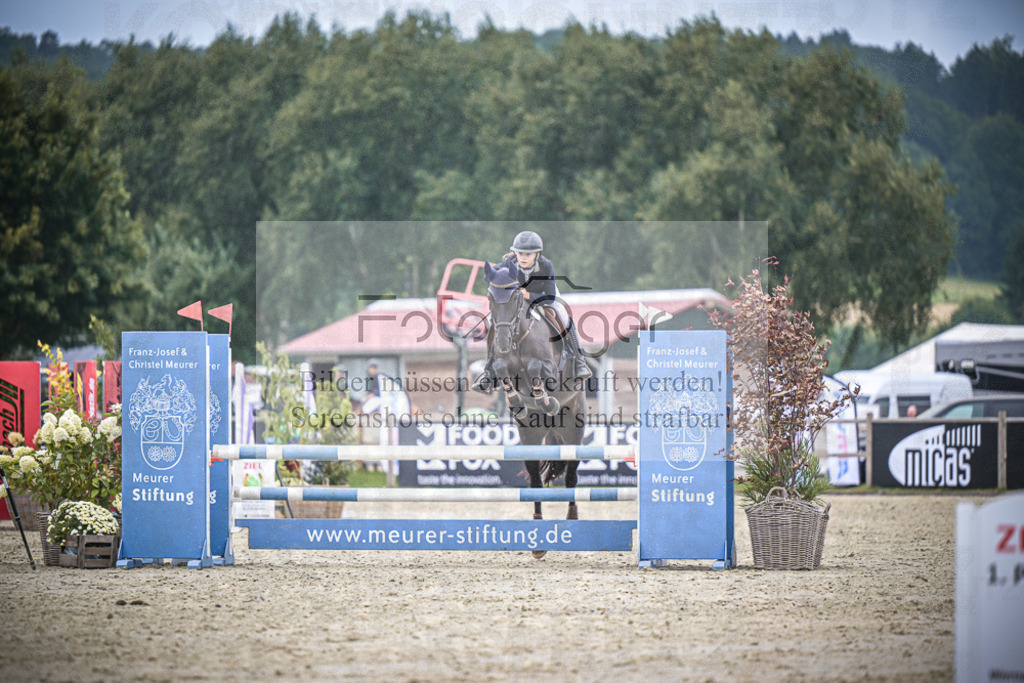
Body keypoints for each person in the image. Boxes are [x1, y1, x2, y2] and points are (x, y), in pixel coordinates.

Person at [473, 230, 592, 391]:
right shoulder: (507, 264)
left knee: (564, 316)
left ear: (537, 255)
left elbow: (549, 297)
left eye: (528, 254)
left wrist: (529, 295)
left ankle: (579, 361)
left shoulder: (546, 265)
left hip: (542, 295)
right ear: (515, 252)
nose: (523, 257)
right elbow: (492, 277)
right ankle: (489, 371)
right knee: (492, 322)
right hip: (516, 300)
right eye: (520, 253)